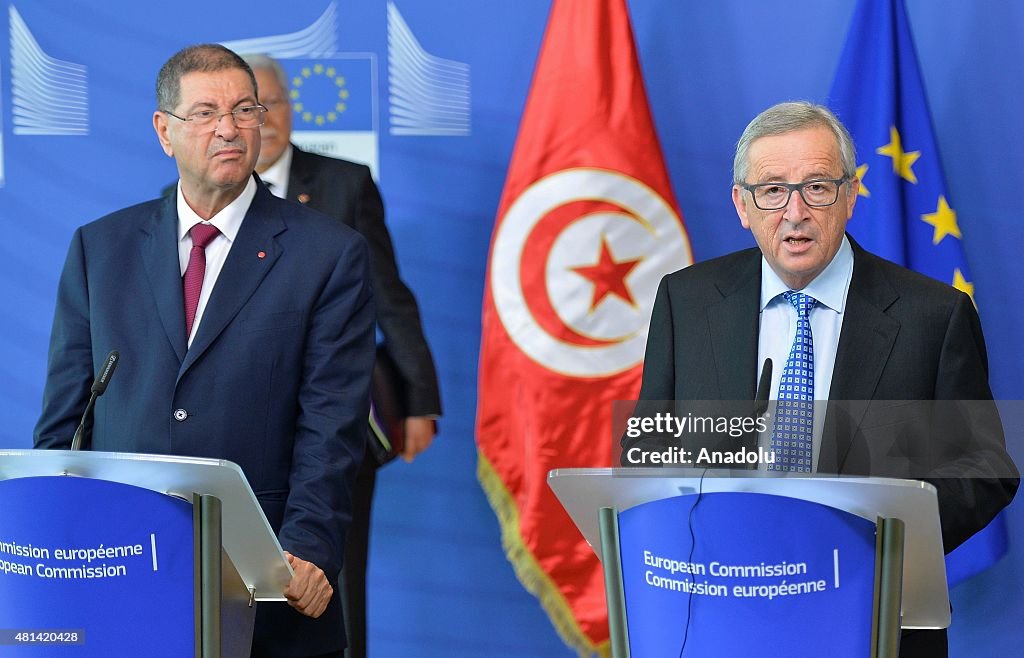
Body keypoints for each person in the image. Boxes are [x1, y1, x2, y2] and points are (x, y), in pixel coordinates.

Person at [626, 101, 1018, 656]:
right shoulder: (686, 301)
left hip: (873, 614)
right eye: (772, 190)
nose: (795, 211)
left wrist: (884, 536)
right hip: (719, 611)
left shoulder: (933, 315)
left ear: (851, 196)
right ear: (742, 204)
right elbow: (650, 446)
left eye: (817, 187)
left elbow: (986, 468)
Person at [34, 43, 375, 658]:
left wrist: (306, 552)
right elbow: (65, 420)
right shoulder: (100, 248)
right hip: (120, 571)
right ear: (165, 131)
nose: (230, 128)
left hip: (268, 578)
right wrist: (48, 540)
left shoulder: (328, 253)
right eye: (206, 112)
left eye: (246, 110)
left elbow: (333, 424)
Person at [240, 54, 442, 658]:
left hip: (335, 421)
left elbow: (390, 296)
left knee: (336, 577)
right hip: (241, 423)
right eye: (252, 106)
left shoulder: (344, 184)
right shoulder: (206, 200)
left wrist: (419, 403)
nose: (266, 116)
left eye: (274, 101)